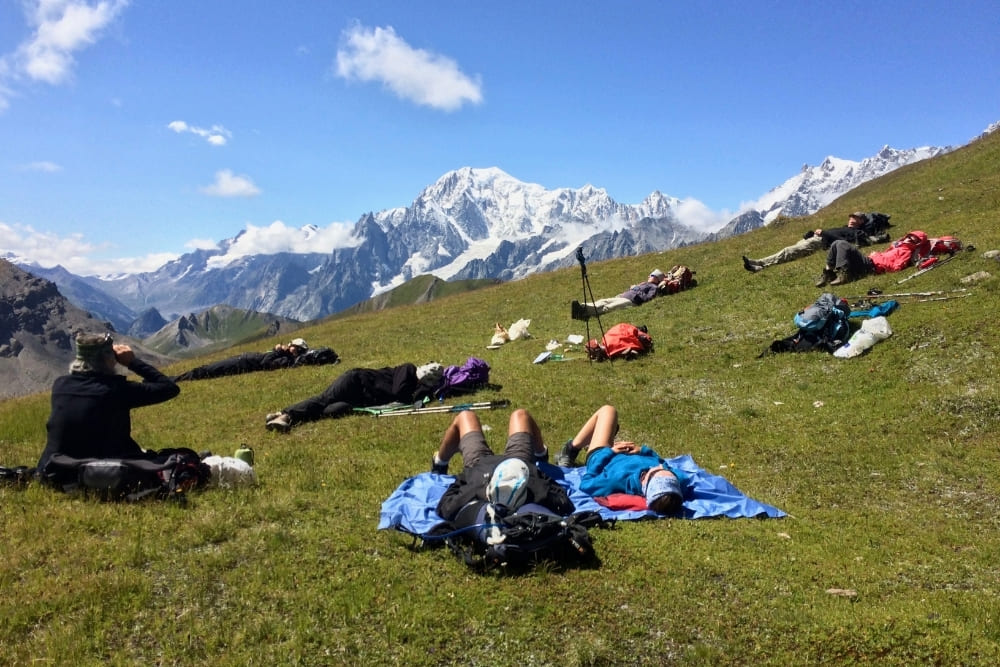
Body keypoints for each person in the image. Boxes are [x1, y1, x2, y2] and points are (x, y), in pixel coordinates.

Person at [36, 333, 181, 473]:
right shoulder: (116, 390)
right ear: (108, 359)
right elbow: (169, 388)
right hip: (104, 469)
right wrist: (132, 362)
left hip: (55, 469)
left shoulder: (60, 385)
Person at [432, 408, 575, 521]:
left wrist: (463, 478)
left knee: (465, 416)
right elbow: (564, 501)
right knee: (520, 415)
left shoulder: (473, 489)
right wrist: (537, 470)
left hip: (481, 464)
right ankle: (541, 454)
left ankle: (440, 462)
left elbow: (445, 506)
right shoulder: (536, 488)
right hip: (519, 463)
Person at [555, 405, 688, 515]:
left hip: (601, 455)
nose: (660, 466)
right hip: (627, 452)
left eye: (656, 470)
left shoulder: (615, 481)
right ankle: (608, 433)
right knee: (608, 421)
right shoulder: (675, 481)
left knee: (608, 410)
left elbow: (586, 484)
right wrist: (643, 451)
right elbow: (664, 464)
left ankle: (571, 449)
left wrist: (610, 452)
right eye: (666, 470)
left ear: (645, 482)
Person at [264, 362, 444, 432]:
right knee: (323, 400)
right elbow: (400, 393)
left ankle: (278, 415)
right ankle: (286, 415)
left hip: (360, 397)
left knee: (328, 410)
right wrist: (420, 390)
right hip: (355, 381)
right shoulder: (408, 370)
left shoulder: (412, 382)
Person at [742, 211, 890, 273]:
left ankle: (759, 263)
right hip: (816, 238)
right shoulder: (845, 227)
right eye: (851, 217)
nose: (852, 219)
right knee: (791, 251)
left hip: (820, 243)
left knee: (788, 252)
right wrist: (812, 233)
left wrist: (823, 233)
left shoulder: (856, 233)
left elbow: (842, 243)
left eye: (856, 218)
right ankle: (759, 266)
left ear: (862, 221)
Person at [815, 230, 931, 287]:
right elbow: (887, 256)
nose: (909, 239)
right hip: (868, 262)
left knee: (841, 244)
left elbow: (897, 267)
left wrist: (877, 256)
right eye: (909, 237)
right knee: (836, 243)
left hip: (871, 266)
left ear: (917, 244)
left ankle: (844, 273)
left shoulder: (906, 251)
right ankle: (829, 273)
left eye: (913, 240)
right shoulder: (898, 246)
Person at [173, 338, 317, 381]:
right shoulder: (285, 357)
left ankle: (175, 379)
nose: (289, 345)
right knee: (208, 368)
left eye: (293, 345)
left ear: (297, 350)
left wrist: (277, 351)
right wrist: (277, 351)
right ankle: (176, 378)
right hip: (243, 358)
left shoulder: (286, 360)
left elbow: (265, 363)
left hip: (243, 363)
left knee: (207, 370)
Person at [571, 268, 668, 320]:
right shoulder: (645, 284)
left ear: (656, 278)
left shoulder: (654, 288)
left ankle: (583, 313)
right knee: (603, 301)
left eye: (651, 275)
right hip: (623, 296)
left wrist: (635, 288)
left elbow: (647, 299)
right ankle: (582, 307)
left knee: (608, 307)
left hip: (631, 301)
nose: (648, 276)